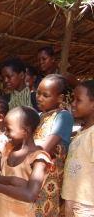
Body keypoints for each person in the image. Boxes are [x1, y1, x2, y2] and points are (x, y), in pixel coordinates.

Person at [0, 106, 52, 217]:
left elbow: (30, 195)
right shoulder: (7, 149)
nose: (5, 133)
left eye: (8, 129)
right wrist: (14, 181)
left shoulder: (39, 158)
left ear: (25, 130)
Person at [34, 74, 74, 216]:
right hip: (36, 175)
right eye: (38, 93)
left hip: (51, 178)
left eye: (46, 95)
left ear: (60, 98)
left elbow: (45, 149)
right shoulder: (39, 116)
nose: (39, 98)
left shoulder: (63, 116)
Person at [62, 80, 94, 216]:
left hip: (86, 204)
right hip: (72, 200)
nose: (72, 104)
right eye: (73, 99)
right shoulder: (81, 133)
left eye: (78, 100)